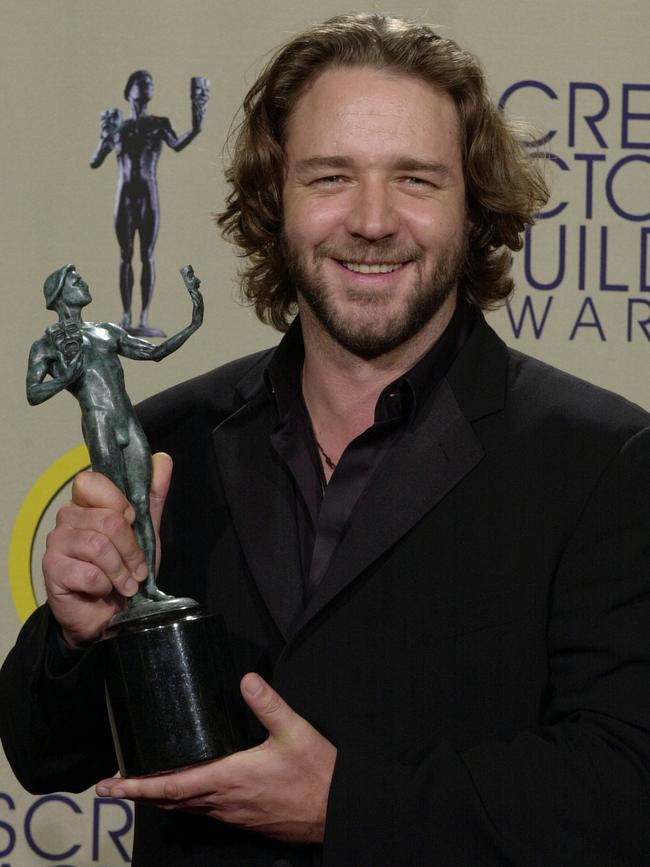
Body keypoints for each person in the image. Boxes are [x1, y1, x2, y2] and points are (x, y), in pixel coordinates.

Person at [3, 13, 650, 866]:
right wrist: (77, 634)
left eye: (416, 179)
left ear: (475, 203)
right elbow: (50, 755)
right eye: (331, 176)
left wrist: (345, 806)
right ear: (276, 200)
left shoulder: (604, 458)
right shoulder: (172, 440)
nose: (372, 220)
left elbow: (626, 787)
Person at [26, 263, 204, 632]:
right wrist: (66, 377)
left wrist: (195, 316)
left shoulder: (105, 331)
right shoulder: (47, 344)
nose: (83, 281)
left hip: (127, 423)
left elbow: (154, 353)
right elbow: (33, 392)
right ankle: (130, 597)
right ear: (59, 293)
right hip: (100, 424)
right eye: (75, 280)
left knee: (140, 504)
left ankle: (150, 589)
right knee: (118, 511)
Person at [90, 71, 209, 337]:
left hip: (147, 192)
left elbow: (177, 143)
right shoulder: (118, 127)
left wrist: (198, 123)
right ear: (129, 90)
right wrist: (103, 136)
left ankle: (143, 317)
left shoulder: (158, 123)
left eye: (150, 83)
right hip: (124, 195)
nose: (147, 86)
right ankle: (126, 316)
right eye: (141, 82)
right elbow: (95, 161)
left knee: (147, 255)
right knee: (125, 256)